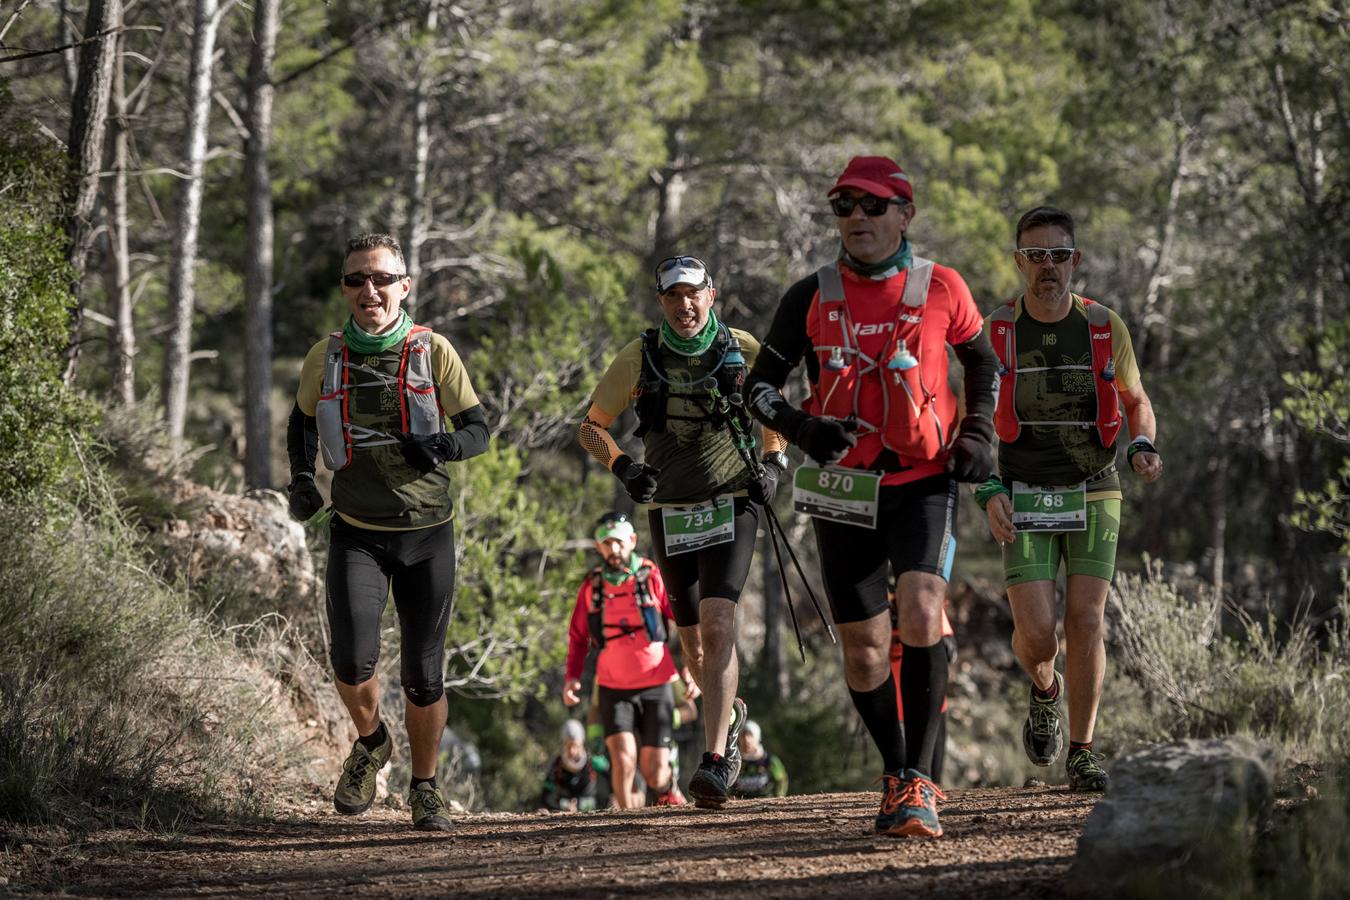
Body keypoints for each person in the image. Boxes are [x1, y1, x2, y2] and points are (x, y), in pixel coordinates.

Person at [745, 156, 999, 837]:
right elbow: (756, 388)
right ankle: (895, 774)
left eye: (872, 205)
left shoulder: (942, 286)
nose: (856, 217)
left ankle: (920, 781)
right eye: (843, 206)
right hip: (842, 488)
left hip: (923, 480)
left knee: (921, 612)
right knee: (861, 648)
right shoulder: (810, 294)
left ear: (905, 213)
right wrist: (801, 428)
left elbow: (982, 359)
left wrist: (978, 430)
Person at [285, 232, 489, 832]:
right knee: (351, 663)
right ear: (345, 289)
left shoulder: (432, 350)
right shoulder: (325, 356)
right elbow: (300, 423)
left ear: (405, 286)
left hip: (428, 533)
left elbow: (479, 428)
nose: (367, 290)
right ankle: (372, 743)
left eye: (380, 278)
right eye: (355, 279)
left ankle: (424, 787)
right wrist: (301, 478)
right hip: (357, 531)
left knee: (423, 676)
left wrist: (444, 447)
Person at [578, 255, 788, 809]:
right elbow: (590, 426)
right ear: (661, 301)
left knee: (719, 625)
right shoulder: (640, 356)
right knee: (691, 639)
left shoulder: (741, 348)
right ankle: (733, 711)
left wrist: (773, 464)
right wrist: (624, 467)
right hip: (669, 510)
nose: (685, 304)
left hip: (732, 502)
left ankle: (715, 759)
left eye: (693, 293)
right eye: (674, 295)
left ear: (711, 293)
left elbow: (777, 411)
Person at [975, 205, 1162, 792]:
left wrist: (1142, 445)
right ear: (1019, 262)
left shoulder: (1105, 327)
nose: (1048, 266)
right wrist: (987, 489)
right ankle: (1044, 689)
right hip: (1023, 490)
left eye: (1059, 254)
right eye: (1036, 255)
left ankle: (1082, 750)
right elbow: (973, 419)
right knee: (1037, 635)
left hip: (1095, 486)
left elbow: (1137, 402)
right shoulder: (996, 331)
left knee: (1086, 620)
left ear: (1075, 261)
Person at [563, 512, 689, 808]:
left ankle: (667, 788)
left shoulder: (650, 576)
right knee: (622, 759)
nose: (613, 550)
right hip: (613, 685)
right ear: (599, 548)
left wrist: (691, 669)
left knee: (654, 772)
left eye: (618, 543)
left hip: (656, 682)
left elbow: (682, 622)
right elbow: (578, 636)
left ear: (631, 541)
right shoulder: (592, 587)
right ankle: (627, 824)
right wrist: (572, 678)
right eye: (606, 544)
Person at [888, 585, 955, 783]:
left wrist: (944, 636)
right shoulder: (875, 590)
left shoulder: (919, 581)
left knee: (930, 774)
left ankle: (926, 796)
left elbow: (948, 650)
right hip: (890, 701)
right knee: (897, 772)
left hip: (927, 700)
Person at [540, 720, 599, 812]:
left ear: (582, 744)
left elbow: (612, 785)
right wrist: (563, 807)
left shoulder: (594, 763)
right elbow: (545, 797)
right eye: (568, 746)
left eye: (575, 745)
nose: (572, 751)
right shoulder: (556, 766)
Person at [729, 720, 789, 799]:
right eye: (743, 735)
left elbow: (782, 780)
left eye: (750, 735)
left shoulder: (770, 760)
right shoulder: (732, 761)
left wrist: (778, 797)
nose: (746, 739)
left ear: (757, 737)